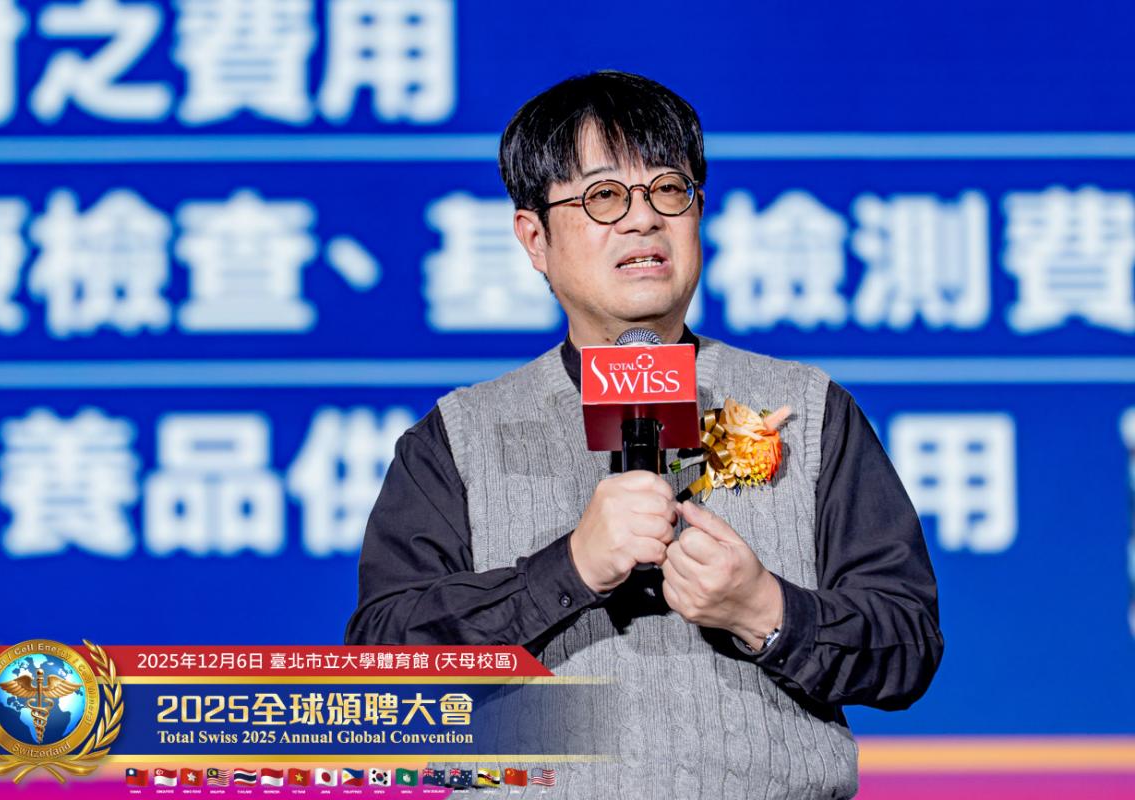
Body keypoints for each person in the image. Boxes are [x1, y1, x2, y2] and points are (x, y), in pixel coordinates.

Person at [346, 71, 943, 799]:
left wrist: (766, 611)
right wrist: (568, 569)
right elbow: (382, 667)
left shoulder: (810, 409)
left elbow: (907, 643)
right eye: (603, 196)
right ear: (534, 238)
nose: (643, 220)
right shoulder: (457, 437)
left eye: (668, 190)